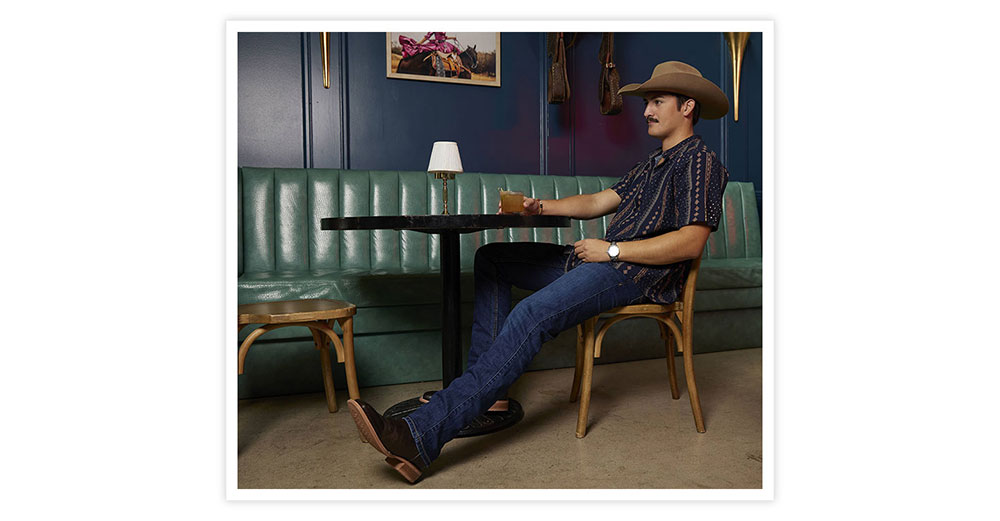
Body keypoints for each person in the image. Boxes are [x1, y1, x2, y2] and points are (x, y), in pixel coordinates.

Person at [347, 60, 731, 483]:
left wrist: (614, 250)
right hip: (599, 259)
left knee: (529, 315)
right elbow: (599, 201)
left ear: (688, 106)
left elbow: (691, 241)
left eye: (657, 101)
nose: (646, 111)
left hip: (633, 273)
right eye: (647, 102)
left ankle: (419, 437)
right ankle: (489, 397)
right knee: (492, 259)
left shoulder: (700, 161)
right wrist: (540, 206)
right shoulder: (651, 164)